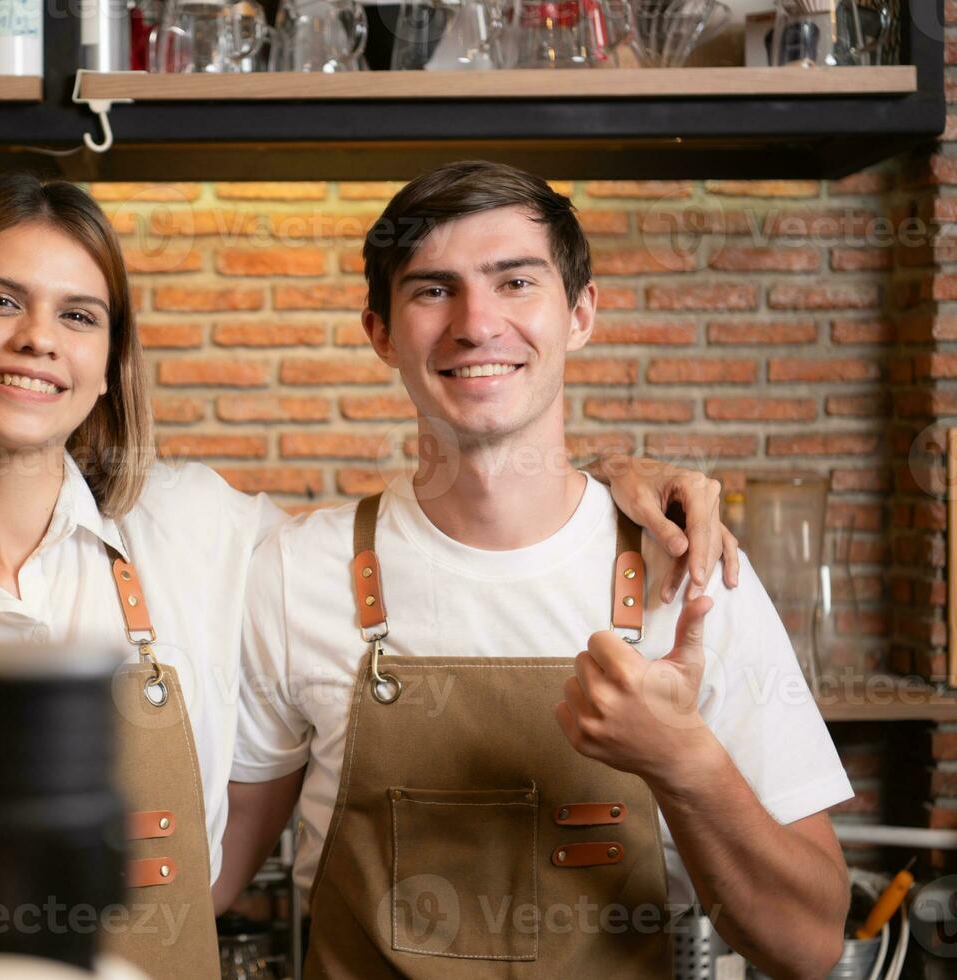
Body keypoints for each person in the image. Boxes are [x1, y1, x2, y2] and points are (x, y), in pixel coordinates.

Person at [0, 172, 733, 977]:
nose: (38, 338)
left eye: (78, 314)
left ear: (108, 359)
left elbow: (461, 513)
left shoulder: (194, 533)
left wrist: (616, 477)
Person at [219, 160, 853, 979]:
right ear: (380, 333)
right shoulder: (296, 570)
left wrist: (684, 760)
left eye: (515, 281)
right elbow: (210, 877)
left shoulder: (687, 574)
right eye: (432, 290)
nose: (477, 323)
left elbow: (808, 946)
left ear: (579, 314)